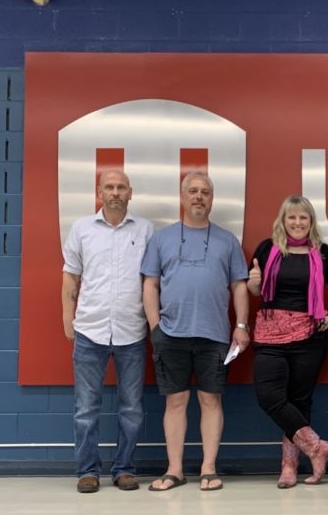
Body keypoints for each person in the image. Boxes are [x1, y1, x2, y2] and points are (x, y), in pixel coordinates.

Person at [141, 171, 250, 492]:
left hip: (215, 335)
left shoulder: (227, 240)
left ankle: (208, 468)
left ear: (212, 199)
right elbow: (150, 284)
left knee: (210, 399)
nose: (199, 197)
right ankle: (175, 470)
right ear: (183, 196)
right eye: (193, 191)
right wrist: (154, 327)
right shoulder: (161, 239)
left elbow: (239, 286)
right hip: (170, 334)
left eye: (205, 192)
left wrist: (241, 326)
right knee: (175, 401)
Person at [62, 169, 154, 494]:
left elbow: (151, 281)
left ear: (130, 192)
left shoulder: (145, 230)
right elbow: (71, 277)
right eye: (109, 187)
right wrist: (67, 320)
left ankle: (124, 469)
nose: (115, 192)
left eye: (121, 187)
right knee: (86, 408)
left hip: (132, 331)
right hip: (90, 330)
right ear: (100, 192)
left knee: (132, 407)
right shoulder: (82, 229)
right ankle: (87, 471)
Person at [247, 195, 328, 488]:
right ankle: (317, 447)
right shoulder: (268, 249)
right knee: (269, 396)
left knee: (300, 402)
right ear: (283, 220)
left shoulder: (324, 253)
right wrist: (254, 282)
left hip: (309, 336)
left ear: (311, 221)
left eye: (304, 217)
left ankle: (289, 467)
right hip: (269, 335)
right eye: (292, 217)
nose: (298, 222)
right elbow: (255, 290)